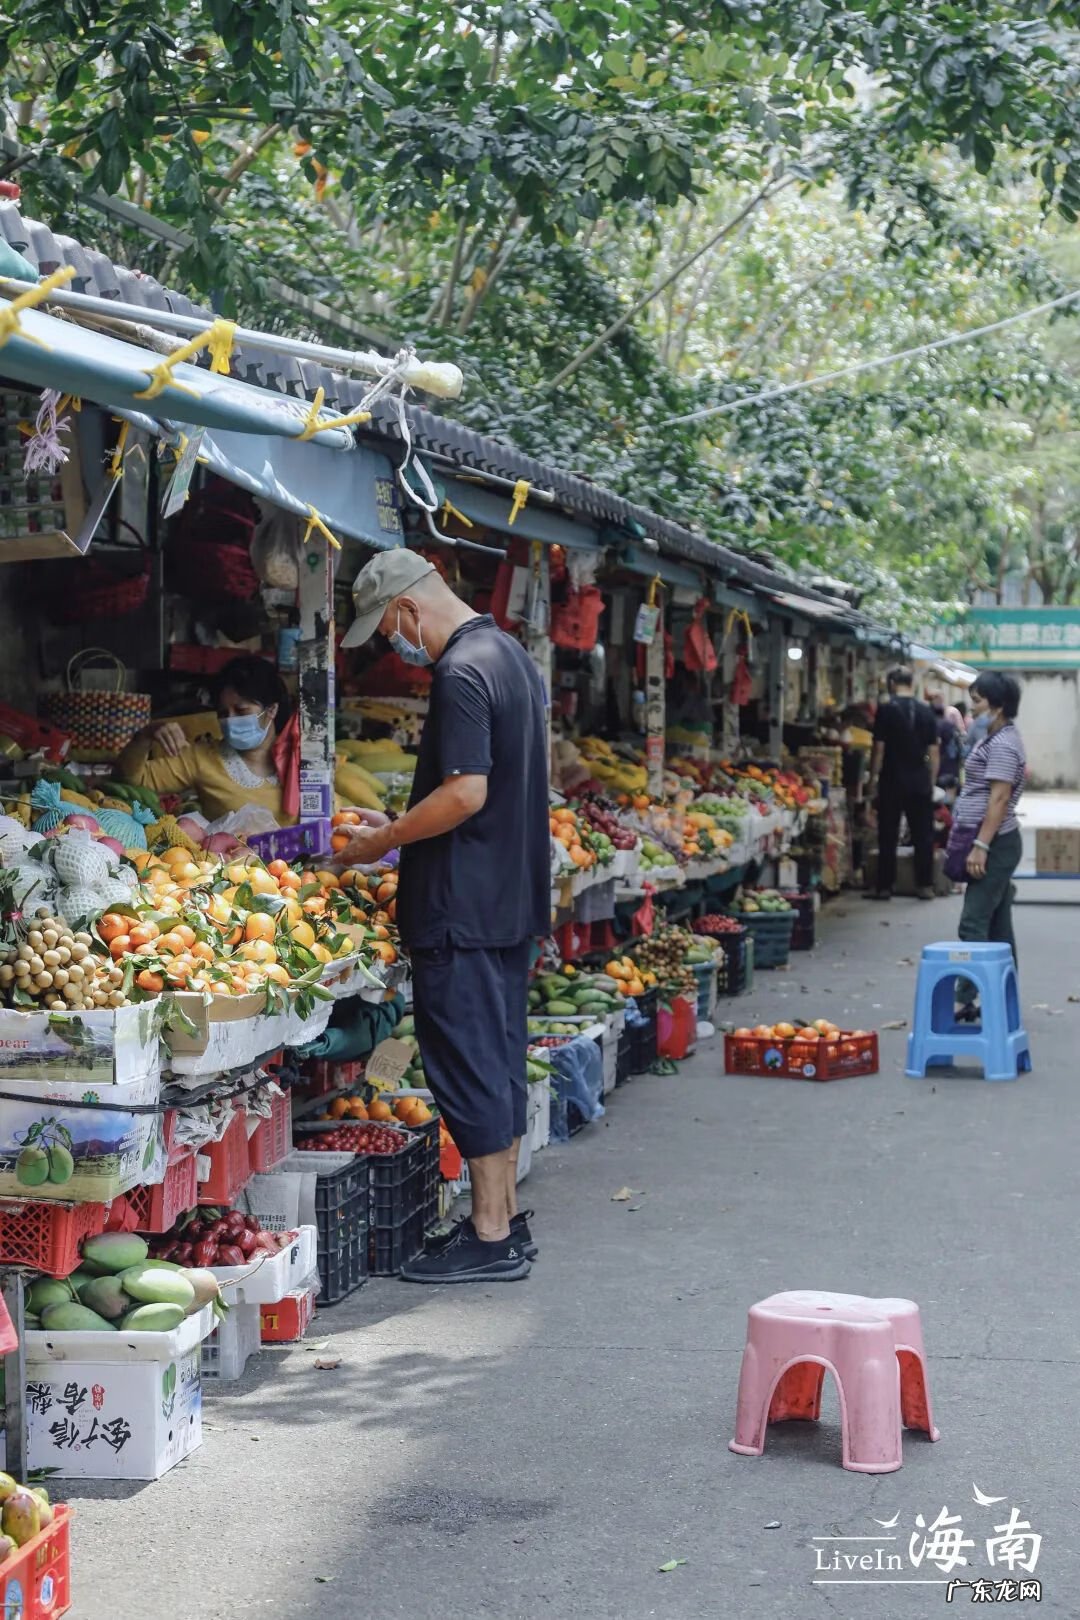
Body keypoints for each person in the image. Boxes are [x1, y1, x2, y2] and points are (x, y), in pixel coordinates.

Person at [335, 550, 550, 1285]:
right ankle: (504, 1222)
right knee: (497, 1065)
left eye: (390, 629)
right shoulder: (510, 656)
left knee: (469, 1070)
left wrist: (382, 841)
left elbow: (465, 797)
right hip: (504, 903)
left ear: (407, 609)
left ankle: (489, 1237)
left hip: (462, 910)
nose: (397, 646)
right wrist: (399, 819)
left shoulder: (460, 671)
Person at [118, 656, 299, 823]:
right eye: (223, 713)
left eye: (241, 710)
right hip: (233, 858)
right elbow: (131, 780)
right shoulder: (201, 757)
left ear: (271, 710)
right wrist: (145, 736)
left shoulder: (302, 757)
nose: (230, 720)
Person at [951, 671, 1026, 980]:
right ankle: (1001, 997)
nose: (972, 708)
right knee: (997, 925)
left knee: (973, 923)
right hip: (992, 840)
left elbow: (999, 798)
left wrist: (981, 846)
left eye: (978, 701)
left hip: (995, 843)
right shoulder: (994, 739)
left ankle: (968, 995)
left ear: (998, 706)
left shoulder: (1004, 744)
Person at [866, 666, 940, 900]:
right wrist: (931, 781)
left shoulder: (886, 709)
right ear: (912, 684)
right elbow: (934, 751)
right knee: (923, 835)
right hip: (920, 782)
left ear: (891, 684)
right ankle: (924, 885)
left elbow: (879, 748)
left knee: (888, 833)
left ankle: (885, 886)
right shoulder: (926, 711)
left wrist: (872, 778)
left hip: (892, 780)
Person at [924, 686, 962, 792]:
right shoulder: (950, 725)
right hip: (952, 771)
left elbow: (933, 752)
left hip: (939, 772)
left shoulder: (933, 726)